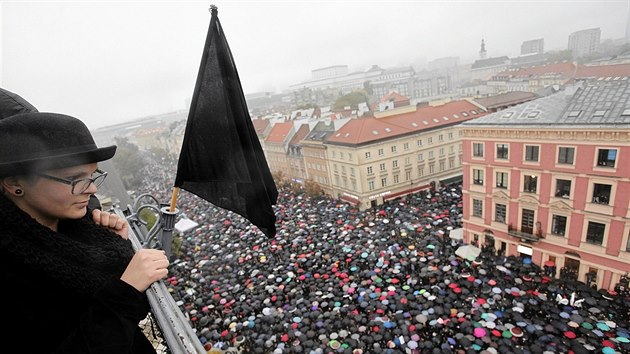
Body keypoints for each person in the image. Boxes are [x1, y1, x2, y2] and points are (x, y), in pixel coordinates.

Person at [0, 111, 170, 353]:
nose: (91, 189)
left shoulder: (84, 228)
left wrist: (113, 244)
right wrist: (126, 291)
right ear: (15, 183)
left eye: (93, 176)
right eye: (74, 179)